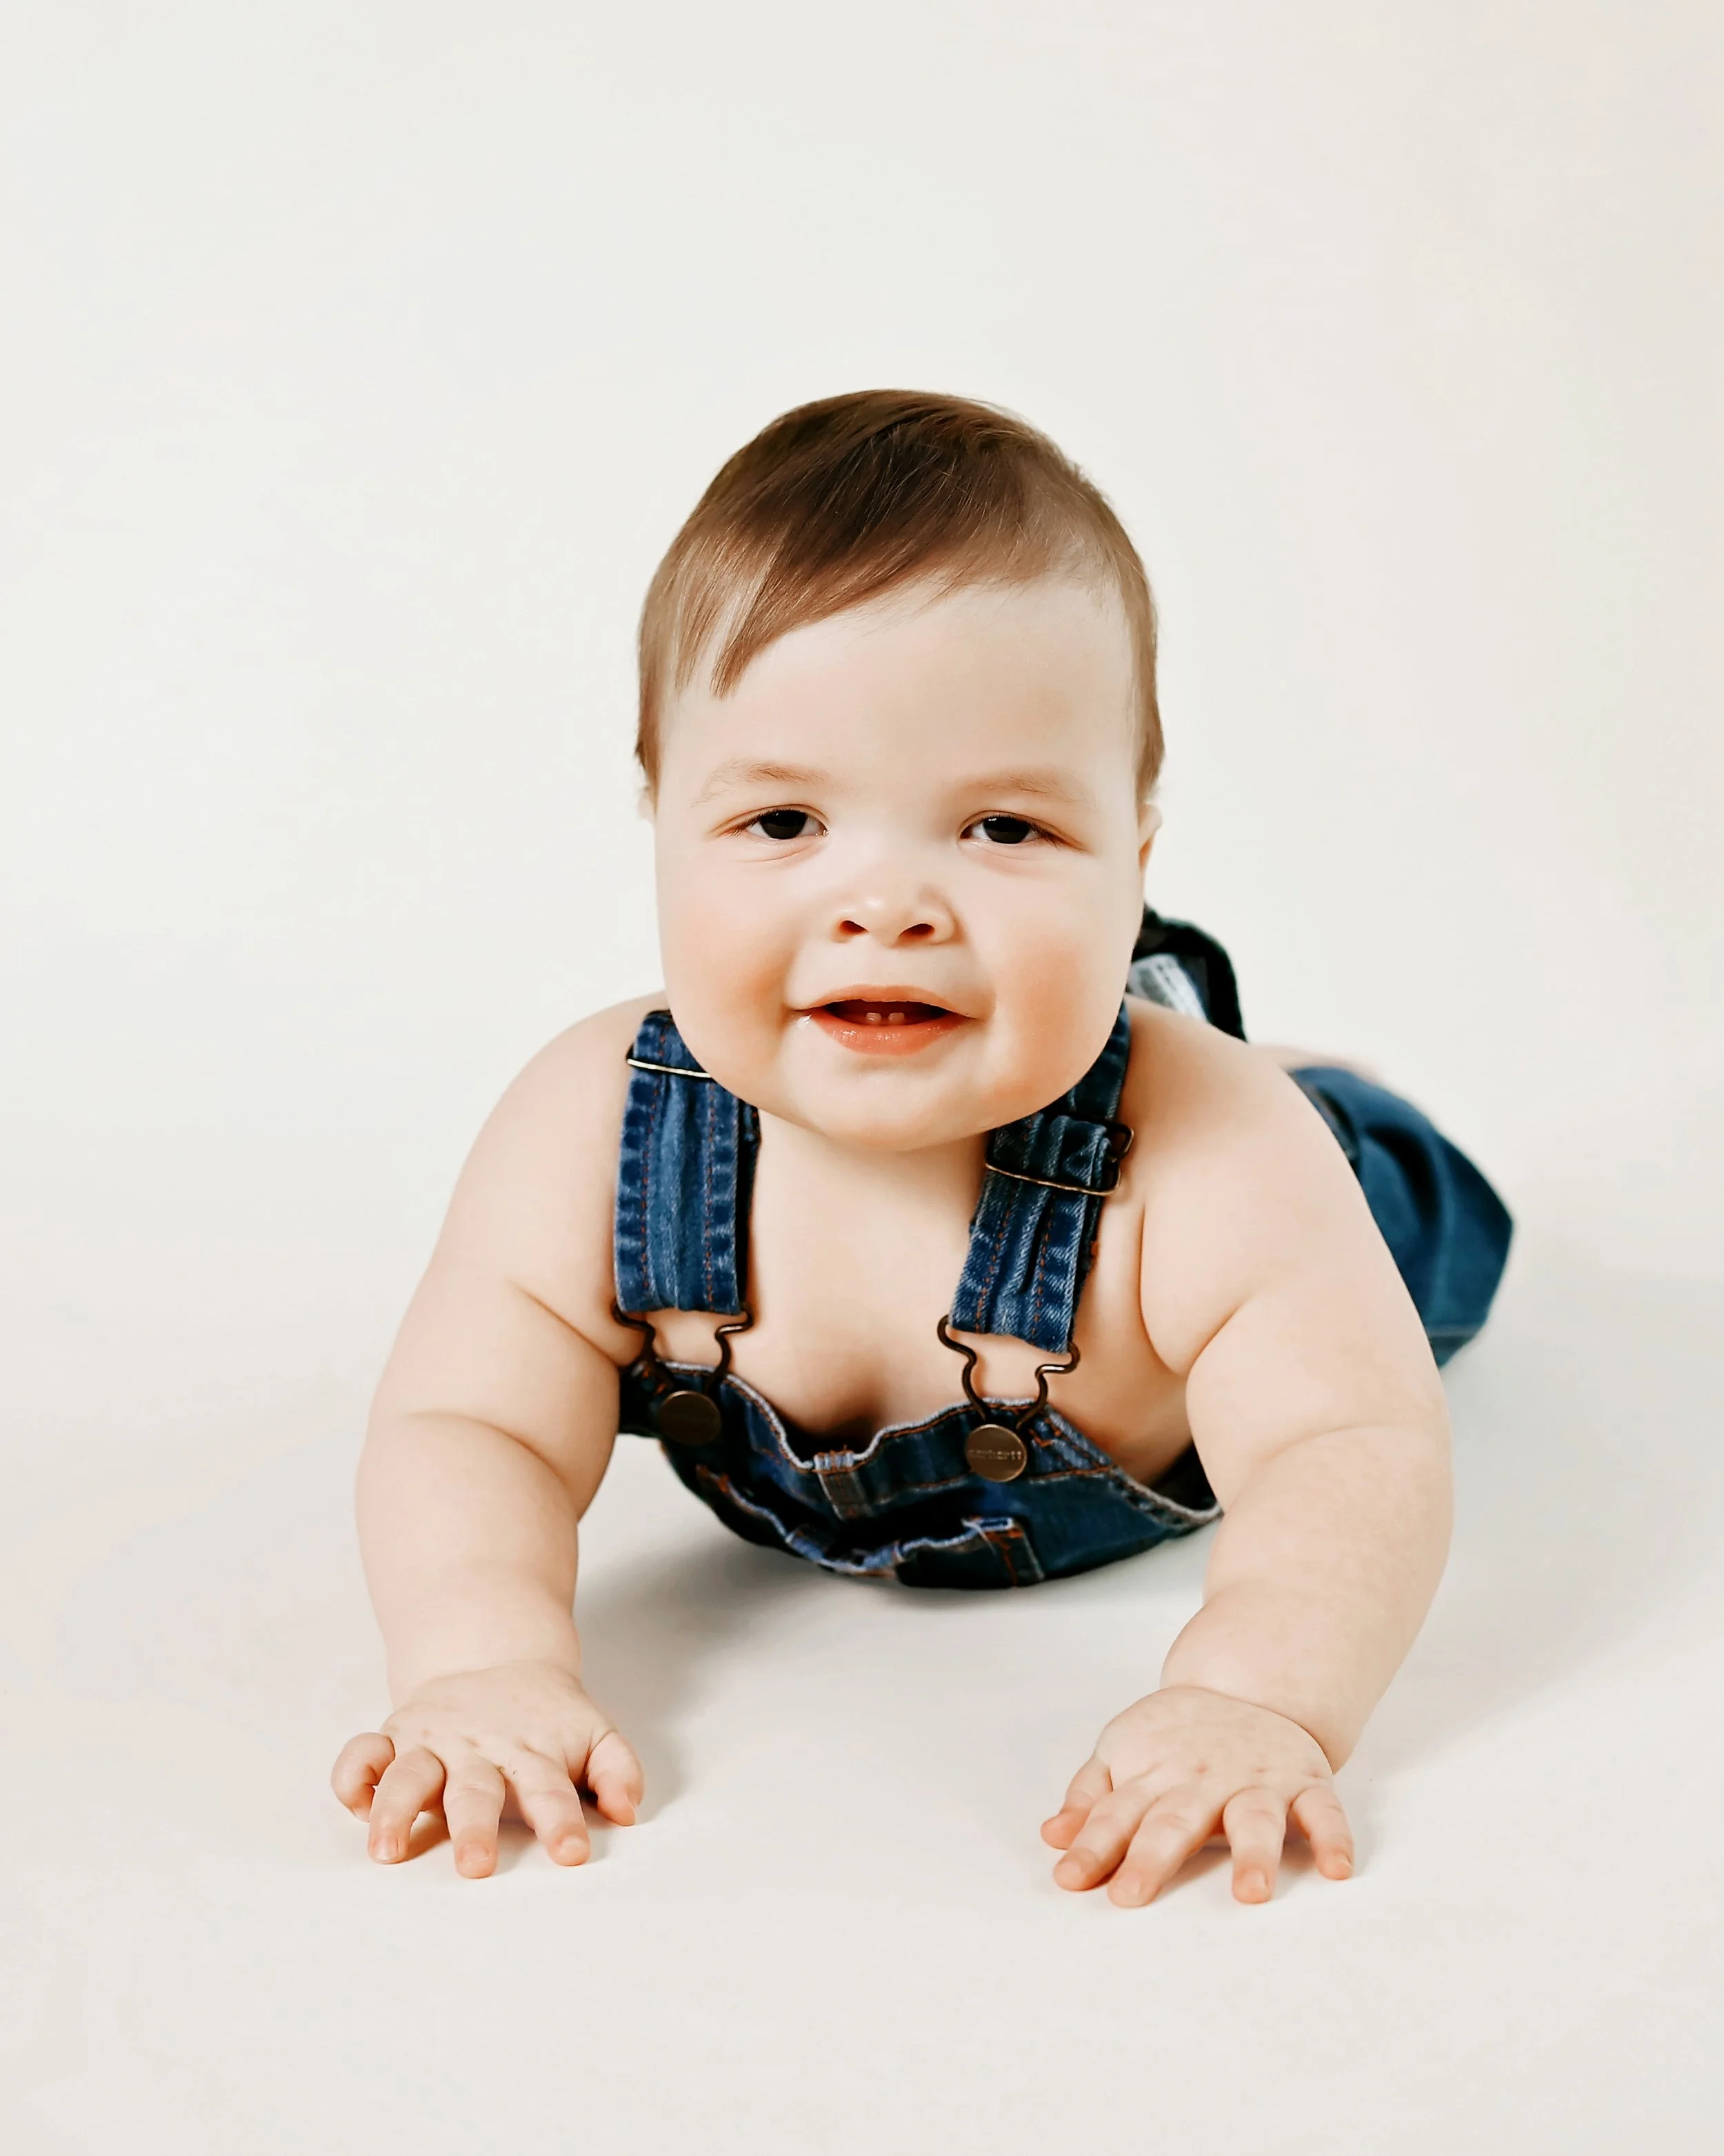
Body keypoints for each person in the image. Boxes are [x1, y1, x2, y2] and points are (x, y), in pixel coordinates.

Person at [330, 391, 1512, 1908]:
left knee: (1355, 1187)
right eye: (780, 823)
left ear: (1137, 853)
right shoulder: (592, 1126)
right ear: (657, 823)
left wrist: (1255, 1692)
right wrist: (479, 1658)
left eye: (1003, 830)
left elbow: (1344, 1448)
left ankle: (1303, 1076)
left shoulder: (1206, 1165)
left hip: (1310, 1197)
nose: (885, 903)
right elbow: (464, 1424)